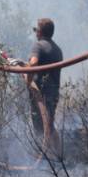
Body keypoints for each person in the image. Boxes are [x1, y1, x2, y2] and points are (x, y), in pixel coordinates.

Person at [25, 18, 63, 158]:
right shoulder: (57, 49)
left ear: (40, 32)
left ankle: (41, 157)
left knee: (39, 126)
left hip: (40, 94)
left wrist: (28, 81)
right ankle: (59, 156)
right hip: (53, 93)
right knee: (50, 125)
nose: (35, 32)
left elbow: (33, 64)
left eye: (36, 30)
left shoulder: (38, 46)